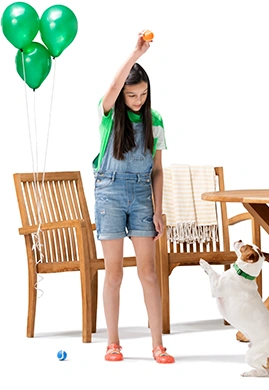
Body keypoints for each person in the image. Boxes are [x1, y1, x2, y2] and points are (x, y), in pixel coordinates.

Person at [93, 31, 174, 363]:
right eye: (132, 95)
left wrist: (158, 209)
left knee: (149, 272)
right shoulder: (110, 114)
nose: (137, 100)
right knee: (114, 273)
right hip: (109, 192)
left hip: (142, 194)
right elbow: (112, 88)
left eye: (142, 94)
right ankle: (113, 342)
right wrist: (135, 54)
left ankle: (158, 344)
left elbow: (157, 170)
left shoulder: (156, 121)